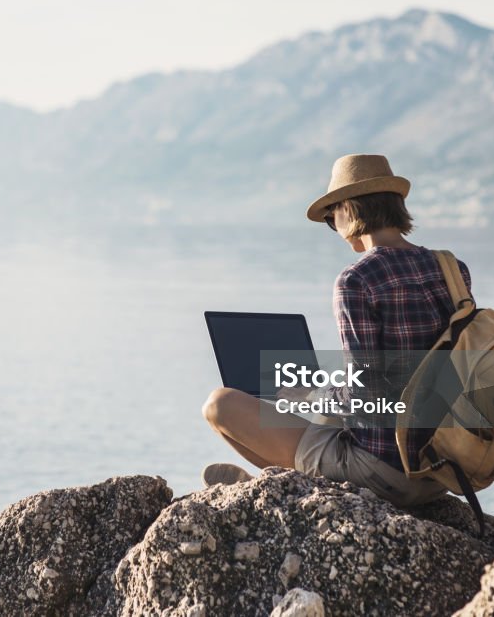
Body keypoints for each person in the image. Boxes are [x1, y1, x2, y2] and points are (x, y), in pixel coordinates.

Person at [201, 153, 471, 507]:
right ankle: (277, 483)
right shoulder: (452, 269)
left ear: (348, 209)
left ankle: (282, 492)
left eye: (332, 218)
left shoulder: (357, 279)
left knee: (220, 405)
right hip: (442, 469)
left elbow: (368, 392)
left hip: (386, 472)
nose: (336, 228)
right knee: (328, 408)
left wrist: (309, 393)